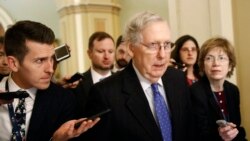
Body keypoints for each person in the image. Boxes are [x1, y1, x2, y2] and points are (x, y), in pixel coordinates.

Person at [79, 11, 193, 141]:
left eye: (167, 45)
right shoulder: (105, 94)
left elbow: (189, 131)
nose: (162, 55)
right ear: (131, 48)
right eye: (153, 45)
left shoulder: (177, 79)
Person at [0, 20, 99, 141]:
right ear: (13, 63)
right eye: (39, 61)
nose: (50, 69)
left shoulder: (63, 100)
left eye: (51, 59)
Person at [190, 37, 246, 140]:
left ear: (230, 65)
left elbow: (237, 127)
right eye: (209, 58)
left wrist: (233, 132)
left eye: (221, 58)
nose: (216, 63)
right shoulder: (195, 91)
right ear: (202, 65)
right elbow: (199, 134)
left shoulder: (233, 90)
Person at [74, 31, 115, 116]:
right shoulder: (77, 84)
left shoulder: (123, 81)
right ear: (89, 54)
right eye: (101, 51)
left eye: (110, 51)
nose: (106, 56)